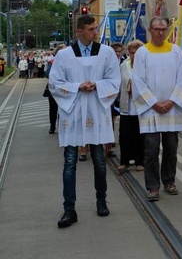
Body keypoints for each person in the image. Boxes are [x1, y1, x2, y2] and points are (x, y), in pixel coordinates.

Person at [49, 14, 120, 228]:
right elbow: (54, 83)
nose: (94, 32)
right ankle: (69, 209)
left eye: (95, 28)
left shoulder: (107, 53)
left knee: (99, 160)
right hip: (73, 113)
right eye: (90, 29)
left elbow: (114, 79)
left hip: (96, 111)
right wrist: (77, 86)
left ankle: (101, 200)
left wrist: (97, 85)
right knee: (70, 162)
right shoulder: (64, 55)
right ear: (79, 31)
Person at [132, 16, 182, 202]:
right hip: (151, 109)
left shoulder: (175, 51)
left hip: (171, 109)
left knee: (171, 148)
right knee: (151, 149)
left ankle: (169, 181)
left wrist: (172, 101)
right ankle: (153, 186)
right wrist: (154, 103)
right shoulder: (142, 52)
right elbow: (138, 81)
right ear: (150, 30)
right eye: (156, 29)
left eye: (163, 29)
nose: (160, 32)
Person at [118, 39, 145, 173]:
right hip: (126, 105)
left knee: (139, 135)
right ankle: (124, 161)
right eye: (132, 52)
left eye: (137, 52)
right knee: (125, 135)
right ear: (128, 52)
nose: (135, 55)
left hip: (140, 106)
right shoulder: (124, 65)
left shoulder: (146, 66)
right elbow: (118, 82)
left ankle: (140, 161)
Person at [45, 44, 66, 134]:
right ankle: (52, 126)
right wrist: (56, 78)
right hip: (53, 88)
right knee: (53, 108)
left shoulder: (69, 62)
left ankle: (62, 126)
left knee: (64, 108)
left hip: (65, 89)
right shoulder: (52, 62)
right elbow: (47, 73)